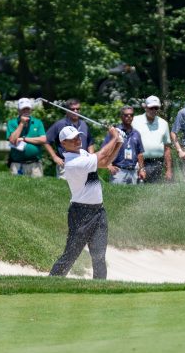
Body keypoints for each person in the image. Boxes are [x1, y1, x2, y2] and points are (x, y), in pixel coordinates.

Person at [49, 125, 124, 278]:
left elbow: (104, 162)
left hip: (99, 212)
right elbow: (102, 154)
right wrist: (114, 137)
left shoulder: (82, 154)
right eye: (72, 139)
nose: (77, 141)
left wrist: (119, 143)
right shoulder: (73, 163)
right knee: (71, 254)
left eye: (78, 137)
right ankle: (52, 280)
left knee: (99, 256)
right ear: (63, 143)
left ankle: (100, 288)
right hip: (81, 214)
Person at [44, 99, 95, 179]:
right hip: (66, 163)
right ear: (66, 111)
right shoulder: (60, 124)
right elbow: (46, 141)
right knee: (64, 190)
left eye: (78, 109)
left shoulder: (84, 124)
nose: (75, 111)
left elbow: (90, 142)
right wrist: (54, 157)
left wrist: (91, 158)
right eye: (72, 109)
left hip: (83, 163)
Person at [132, 95, 173, 183]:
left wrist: (169, 170)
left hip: (157, 164)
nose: (154, 110)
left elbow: (167, 148)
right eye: (151, 108)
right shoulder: (135, 121)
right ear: (145, 107)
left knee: (154, 189)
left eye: (156, 108)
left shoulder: (164, 123)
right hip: (137, 163)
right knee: (138, 189)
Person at [101, 106, 146, 184]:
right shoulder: (115, 132)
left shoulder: (136, 133)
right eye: (126, 115)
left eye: (131, 115)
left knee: (133, 196)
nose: (129, 117)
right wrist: (108, 165)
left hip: (133, 172)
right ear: (121, 116)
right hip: (118, 171)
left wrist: (142, 169)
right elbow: (105, 149)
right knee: (117, 196)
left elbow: (140, 154)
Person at [6, 98, 46, 177]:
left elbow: (43, 139)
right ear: (18, 110)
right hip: (16, 164)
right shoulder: (12, 123)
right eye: (23, 109)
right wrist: (21, 123)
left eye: (27, 109)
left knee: (38, 188)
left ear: (31, 110)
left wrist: (24, 139)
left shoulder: (38, 122)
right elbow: (12, 140)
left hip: (35, 165)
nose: (26, 111)